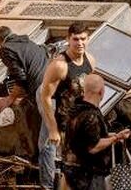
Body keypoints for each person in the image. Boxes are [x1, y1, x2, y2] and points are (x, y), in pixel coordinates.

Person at [38, 22, 96, 189]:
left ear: (88, 39)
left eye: (83, 39)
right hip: (63, 122)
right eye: (75, 39)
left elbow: (90, 91)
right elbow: (45, 97)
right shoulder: (59, 65)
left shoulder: (90, 61)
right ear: (68, 40)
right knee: (66, 166)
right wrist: (53, 129)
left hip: (82, 123)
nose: (80, 43)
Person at [0, 26, 49, 172]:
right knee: (49, 132)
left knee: (42, 137)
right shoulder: (30, 43)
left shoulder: (6, 49)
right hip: (51, 85)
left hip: (40, 90)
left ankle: (41, 171)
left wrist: (8, 99)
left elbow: (21, 78)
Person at [65, 73, 131, 190]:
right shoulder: (91, 115)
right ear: (101, 92)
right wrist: (115, 139)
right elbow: (93, 146)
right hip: (89, 175)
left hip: (71, 170)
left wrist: (116, 135)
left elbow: (87, 136)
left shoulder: (75, 111)